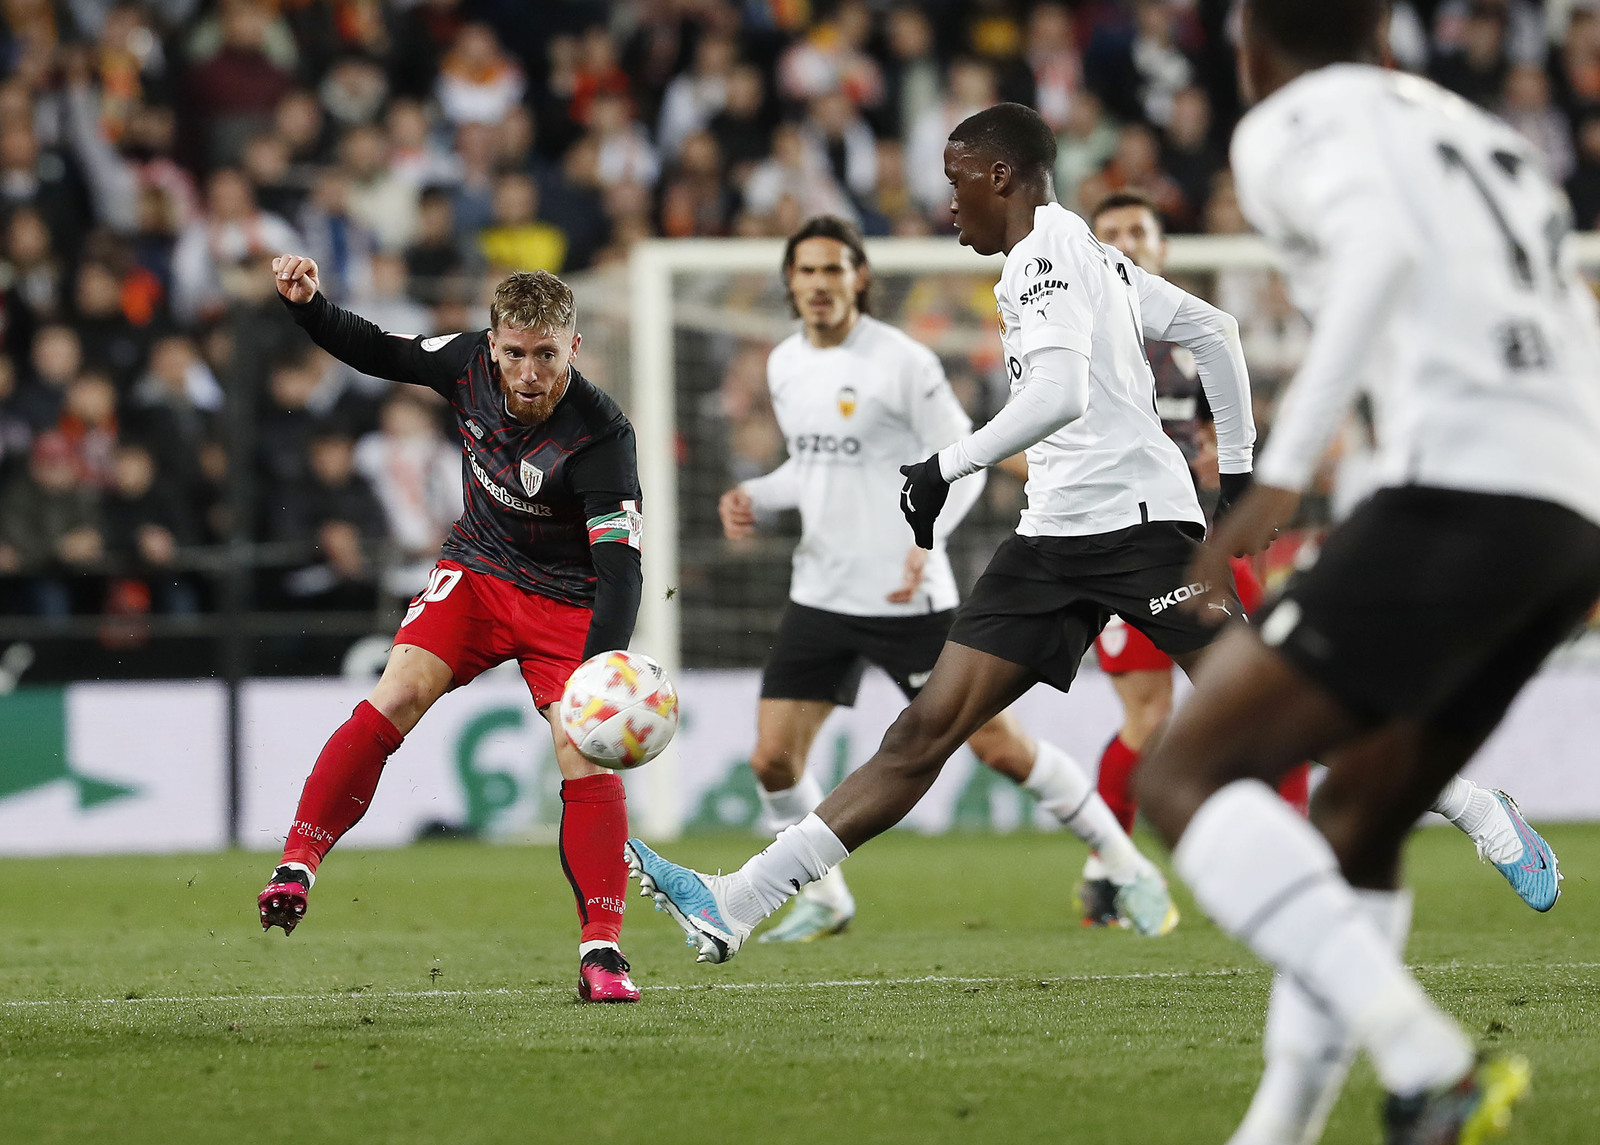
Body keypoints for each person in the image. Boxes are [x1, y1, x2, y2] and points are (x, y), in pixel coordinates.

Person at [625, 102, 1256, 962]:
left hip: (1142, 534)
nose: (947, 203)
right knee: (921, 734)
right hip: (1054, 538)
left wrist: (945, 465)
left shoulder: (1044, 258)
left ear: (1000, 176)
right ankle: (737, 901)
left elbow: (1061, 394)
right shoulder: (1083, 248)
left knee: (1268, 705)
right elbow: (1213, 332)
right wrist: (1242, 474)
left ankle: (1480, 813)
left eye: (956, 181)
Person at [1131, 3, 1600, 1145]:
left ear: (1250, 53)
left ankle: (1427, 1061)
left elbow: (1381, 252)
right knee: (1361, 813)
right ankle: (1281, 1134)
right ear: (1383, 40)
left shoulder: (1290, 119)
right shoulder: (1473, 130)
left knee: (1184, 773)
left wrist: (1281, 475)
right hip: (1565, 509)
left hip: (1458, 495)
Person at [1081, 190, 1560, 928]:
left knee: (1270, 718)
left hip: (1191, 548)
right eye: (1106, 234)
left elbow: (1250, 426)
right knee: (1139, 723)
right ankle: (1113, 873)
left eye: (1134, 232)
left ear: (1161, 247)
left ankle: (1448, 819)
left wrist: (1240, 477)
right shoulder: (1076, 333)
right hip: (1088, 545)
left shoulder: (1193, 336)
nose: (1120, 245)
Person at [723, 214, 1179, 943]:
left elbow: (962, 458)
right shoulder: (783, 364)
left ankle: (1125, 863)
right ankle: (824, 896)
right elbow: (814, 468)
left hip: (908, 596)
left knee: (998, 747)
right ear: (788, 282)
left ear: (859, 277)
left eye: (832, 269)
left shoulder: (902, 361)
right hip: (821, 591)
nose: (818, 284)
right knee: (772, 757)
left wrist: (924, 537)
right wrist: (759, 495)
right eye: (805, 271)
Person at [257, 257, 647, 1004]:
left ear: (573, 348)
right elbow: (381, 350)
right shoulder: (464, 362)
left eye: (547, 354)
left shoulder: (603, 438)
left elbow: (621, 573)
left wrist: (601, 674)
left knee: (582, 753)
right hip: (479, 569)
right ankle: (297, 862)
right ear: (493, 345)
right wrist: (310, 307)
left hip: (567, 601)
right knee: (397, 692)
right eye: (515, 353)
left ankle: (603, 953)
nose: (529, 372)